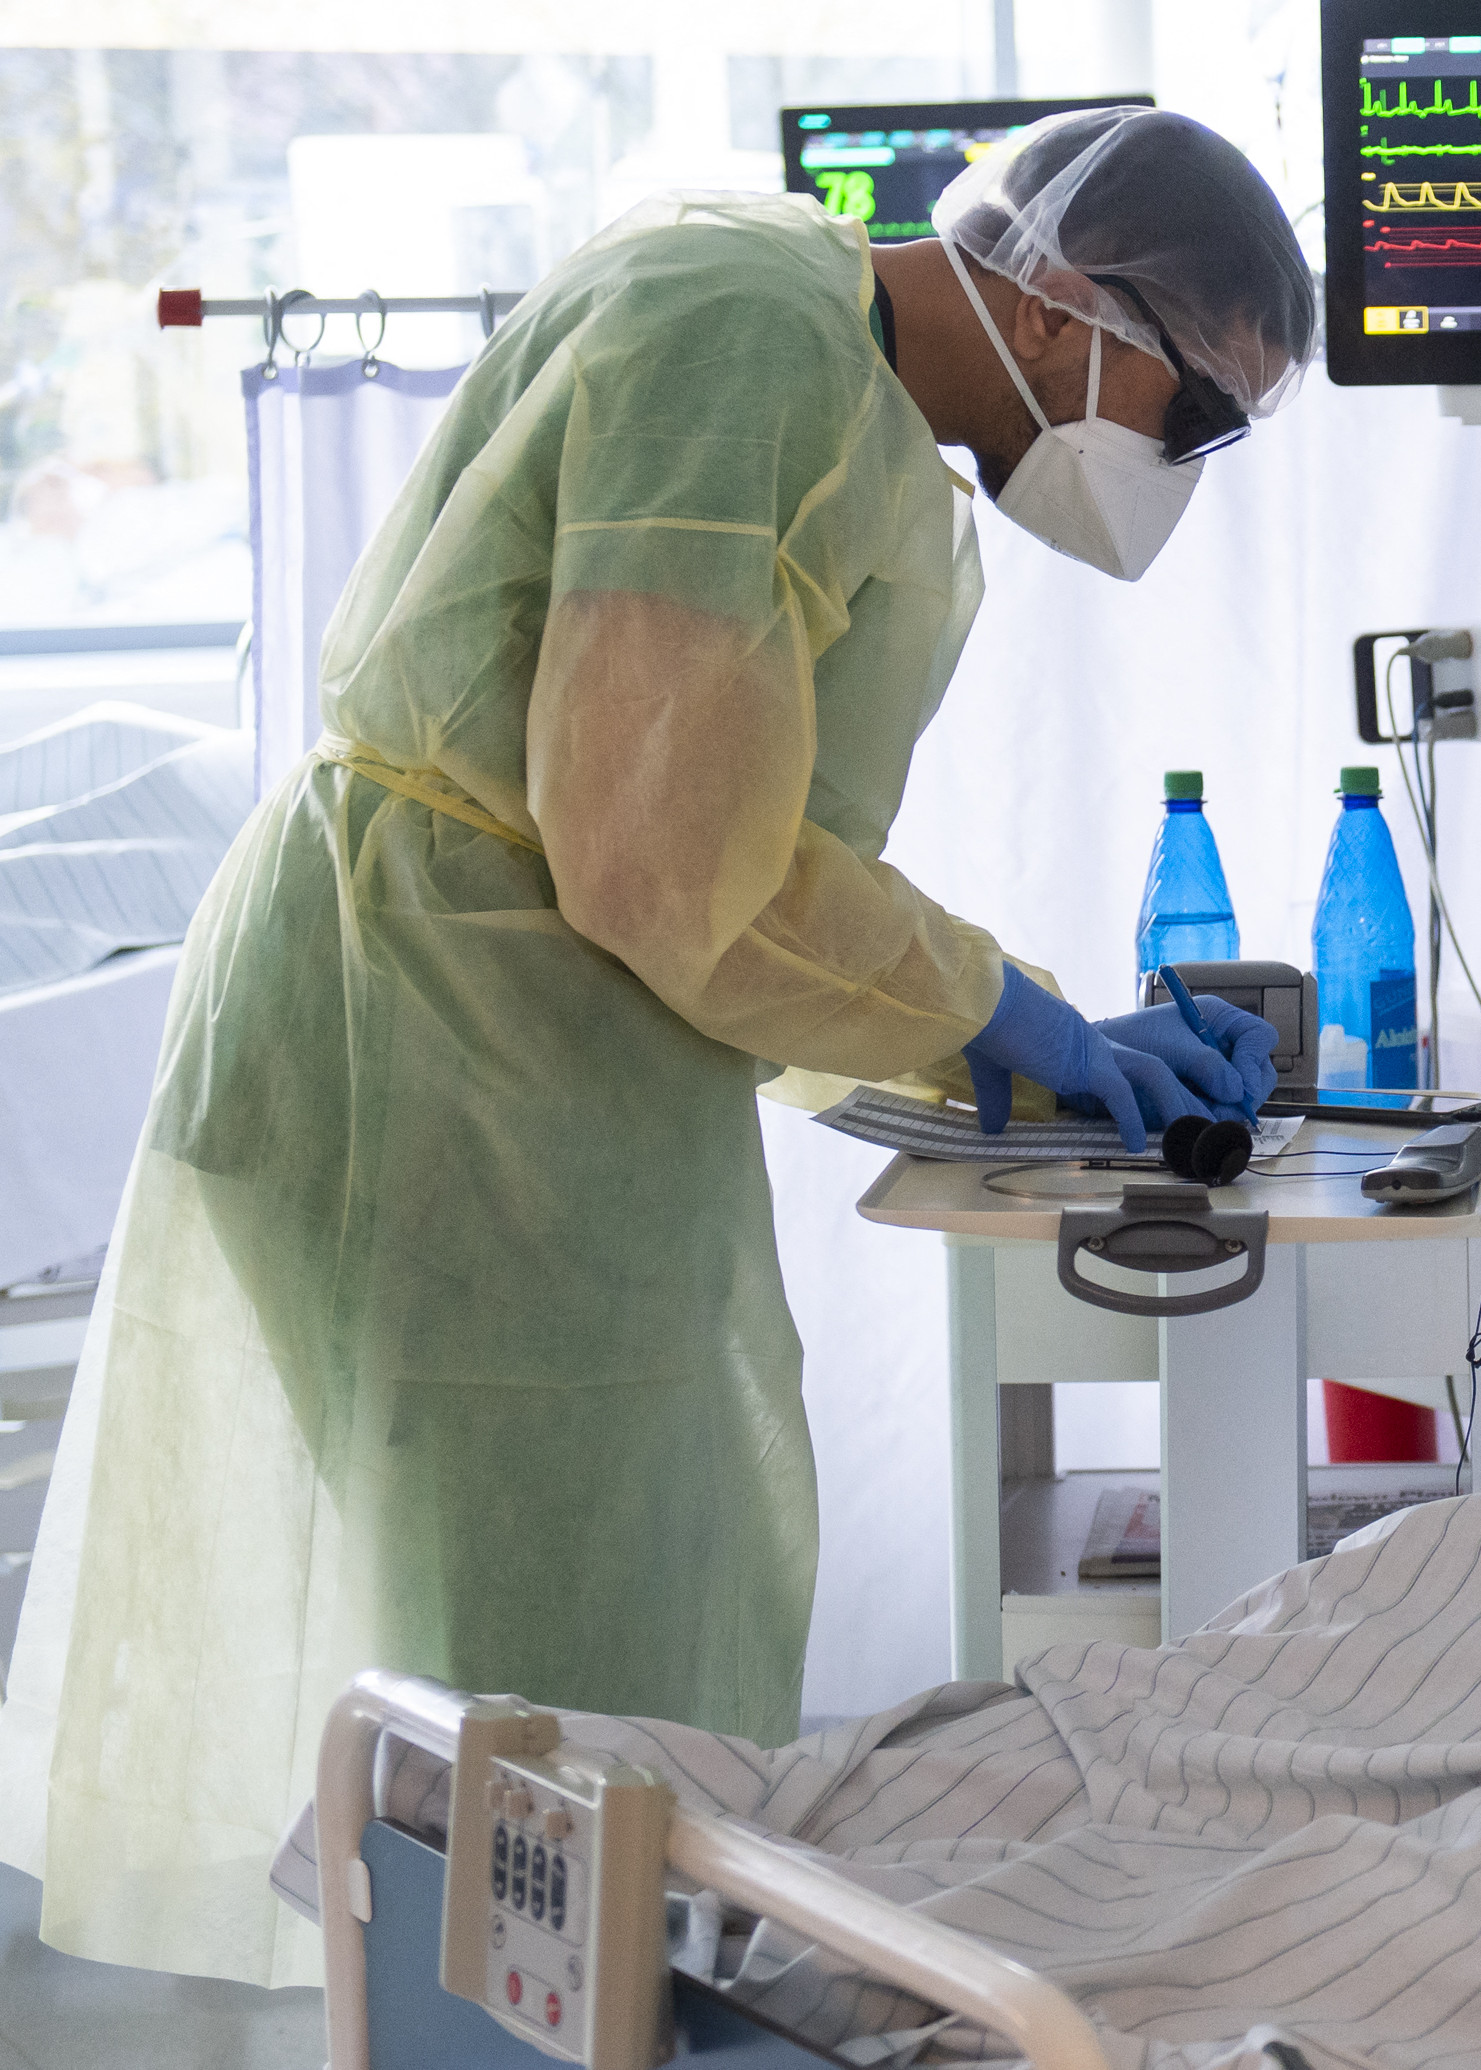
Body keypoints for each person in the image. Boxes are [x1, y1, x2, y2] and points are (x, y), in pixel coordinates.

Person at [0, 107, 1317, 1984]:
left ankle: (578, 2007)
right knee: (529, 1684)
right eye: (1194, 417)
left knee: (606, 1641)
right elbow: (660, 856)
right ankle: (530, 2025)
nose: (1177, 472)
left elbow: (738, 847)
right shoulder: (741, 332)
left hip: (540, 1049)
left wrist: (1001, 1028)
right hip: (435, 1045)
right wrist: (986, 1006)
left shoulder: (849, 409)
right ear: (1061, 308)